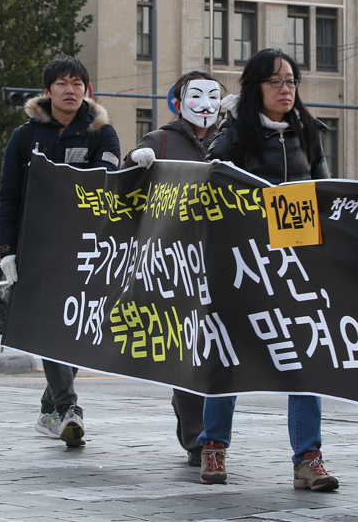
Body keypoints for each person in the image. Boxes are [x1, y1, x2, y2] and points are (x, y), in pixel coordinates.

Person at [199, 48, 339, 492]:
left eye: (292, 81)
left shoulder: (308, 131)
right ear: (255, 87)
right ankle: (213, 447)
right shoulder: (233, 135)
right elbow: (209, 186)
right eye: (276, 81)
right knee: (227, 354)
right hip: (241, 264)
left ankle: (307, 458)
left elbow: (323, 190)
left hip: (293, 262)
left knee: (305, 360)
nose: (286, 89)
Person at [0, 56, 121, 447]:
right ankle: (69, 409)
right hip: (36, 249)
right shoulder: (25, 136)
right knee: (53, 326)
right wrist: (8, 251)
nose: (71, 90)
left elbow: (107, 185)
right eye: (63, 84)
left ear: (87, 90)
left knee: (78, 329)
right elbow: (9, 196)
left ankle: (49, 411)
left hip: (86, 249)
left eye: (78, 84)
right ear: (47, 90)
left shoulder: (103, 134)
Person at [122, 71, 222, 466]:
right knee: (189, 351)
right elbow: (126, 183)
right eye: (196, 95)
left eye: (214, 96)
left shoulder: (229, 141)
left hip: (220, 261)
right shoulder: (162, 139)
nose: (206, 103)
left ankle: (210, 432)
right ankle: (198, 438)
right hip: (173, 264)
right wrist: (136, 160)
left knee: (216, 351)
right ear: (178, 102)